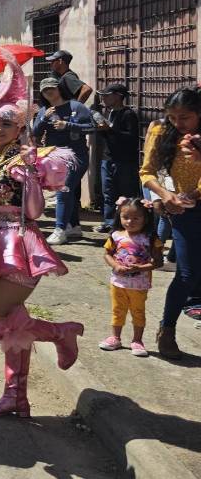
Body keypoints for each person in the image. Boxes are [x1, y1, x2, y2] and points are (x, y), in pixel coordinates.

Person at [0, 48, 82, 419]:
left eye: (4, 124)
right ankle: (16, 396)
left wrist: (29, 177)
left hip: (19, 245)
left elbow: (34, 213)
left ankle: (60, 332)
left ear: (20, 128)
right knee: (11, 322)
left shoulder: (27, 161)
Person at [139, 86, 201, 360]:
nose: (178, 123)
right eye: (173, 117)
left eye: (185, 117)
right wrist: (166, 196)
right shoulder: (160, 132)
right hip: (183, 211)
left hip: (194, 200)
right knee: (187, 274)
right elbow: (148, 171)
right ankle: (167, 329)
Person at [32, 77, 94, 244]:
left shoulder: (76, 106)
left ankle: (60, 229)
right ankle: (73, 226)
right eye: (45, 90)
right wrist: (44, 118)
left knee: (63, 190)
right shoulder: (44, 110)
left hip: (76, 156)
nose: (49, 92)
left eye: (52, 88)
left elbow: (92, 127)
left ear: (59, 88)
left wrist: (68, 125)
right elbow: (35, 132)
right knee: (69, 191)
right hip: (55, 158)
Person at [99, 198, 162, 357]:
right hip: (118, 282)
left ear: (145, 218)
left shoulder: (150, 238)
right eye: (125, 217)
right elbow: (107, 254)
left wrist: (140, 268)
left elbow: (158, 261)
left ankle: (137, 340)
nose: (130, 221)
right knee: (117, 310)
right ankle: (115, 337)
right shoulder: (116, 235)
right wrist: (115, 266)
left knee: (138, 312)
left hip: (139, 284)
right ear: (119, 216)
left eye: (136, 218)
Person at [95, 83, 141, 233]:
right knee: (108, 193)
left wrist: (111, 130)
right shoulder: (109, 113)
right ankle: (109, 222)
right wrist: (102, 130)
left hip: (125, 161)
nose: (104, 98)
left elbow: (131, 138)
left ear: (118, 96)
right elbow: (108, 135)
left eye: (107, 95)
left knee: (126, 193)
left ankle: (127, 222)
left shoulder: (128, 114)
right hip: (107, 159)